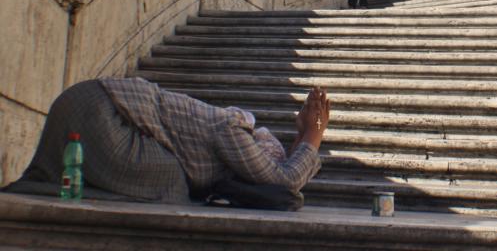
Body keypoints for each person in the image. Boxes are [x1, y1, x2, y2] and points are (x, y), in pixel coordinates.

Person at [6, 78, 330, 204]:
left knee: (179, 180)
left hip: (87, 103)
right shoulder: (232, 128)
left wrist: (301, 136)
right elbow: (283, 181)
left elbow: (272, 183)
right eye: (264, 157)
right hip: (102, 113)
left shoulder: (212, 131)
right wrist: (314, 134)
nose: (260, 164)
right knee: (174, 185)